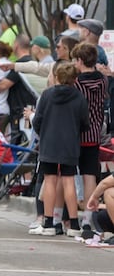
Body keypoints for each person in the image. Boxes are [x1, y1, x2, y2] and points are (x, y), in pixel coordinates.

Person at [29, 61, 88, 237]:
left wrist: (44, 133)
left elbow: (37, 120)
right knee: (69, 181)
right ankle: (74, 224)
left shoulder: (47, 95)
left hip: (49, 143)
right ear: (74, 79)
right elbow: (84, 123)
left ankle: (48, 222)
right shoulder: (79, 97)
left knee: (50, 181)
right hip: (70, 144)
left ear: (56, 76)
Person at [72, 42, 107, 238]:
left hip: (77, 134)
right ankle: (88, 219)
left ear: (79, 60)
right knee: (89, 176)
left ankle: (67, 218)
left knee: (68, 176)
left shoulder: (76, 83)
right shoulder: (102, 80)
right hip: (94, 135)